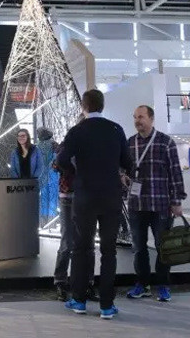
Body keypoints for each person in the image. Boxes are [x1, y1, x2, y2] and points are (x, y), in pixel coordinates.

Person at [57, 90, 133, 319]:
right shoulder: (116, 129)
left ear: (84, 106)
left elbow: (61, 160)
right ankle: (107, 306)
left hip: (85, 196)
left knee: (82, 247)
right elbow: (127, 162)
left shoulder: (77, 131)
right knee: (109, 251)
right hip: (110, 196)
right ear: (102, 105)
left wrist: (77, 173)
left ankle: (79, 300)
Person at [125, 106, 186, 302]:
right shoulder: (129, 143)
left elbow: (175, 173)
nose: (137, 120)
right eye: (135, 117)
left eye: (141, 117)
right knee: (138, 248)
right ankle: (142, 284)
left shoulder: (165, 142)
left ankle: (163, 285)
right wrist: (122, 176)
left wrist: (176, 201)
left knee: (163, 247)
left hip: (161, 205)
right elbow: (122, 168)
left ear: (151, 118)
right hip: (137, 205)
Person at [52, 140, 97, 302]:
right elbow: (55, 165)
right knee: (67, 241)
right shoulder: (66, 146)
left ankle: (87, 283)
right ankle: (61, 282)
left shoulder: (92, 146)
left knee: (88, 242)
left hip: (87, 197)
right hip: (68, 197)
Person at [36, 127, 59, 222]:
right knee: (52, 197)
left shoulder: (37, 146)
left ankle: (43, 220)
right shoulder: (55, 145)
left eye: (38, 134)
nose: (38, 136)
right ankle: (51, 221)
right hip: (53, 174)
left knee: (44, 197)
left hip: (43, 175)